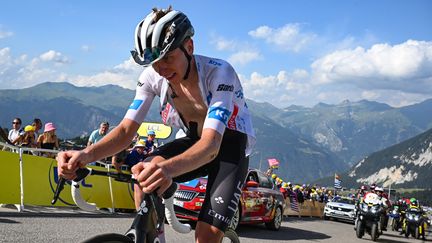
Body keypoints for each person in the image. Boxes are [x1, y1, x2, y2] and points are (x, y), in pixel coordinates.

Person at [57, 6, 255, 243]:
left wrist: (168, 170)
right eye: (153, 61)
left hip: (228, 146)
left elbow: (212, 144)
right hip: (193, 140)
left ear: (189, 47)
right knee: (145, 173)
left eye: (168, 58)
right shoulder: (152, 76)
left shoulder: (219, 72)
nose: (161, 69)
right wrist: (84, 155)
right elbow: (125, 131)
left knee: (206, 235)